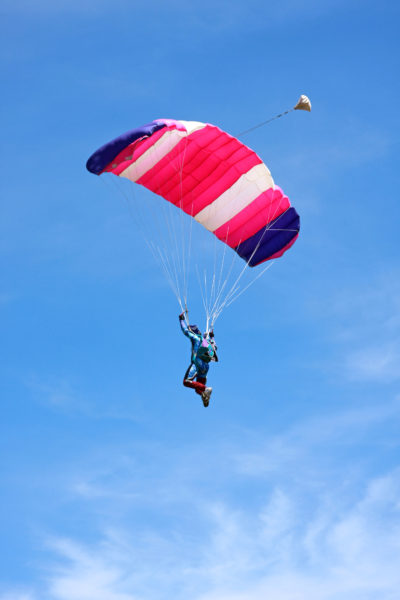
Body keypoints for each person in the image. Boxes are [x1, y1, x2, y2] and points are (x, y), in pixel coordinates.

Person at [179, 312, 218, 407]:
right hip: (205, 367)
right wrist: (212, 337)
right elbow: (214, 347)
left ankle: (205, 389)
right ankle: (205, 395)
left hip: (197, 363)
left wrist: (181, 320)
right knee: (197, 389)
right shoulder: (206, 340)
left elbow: (185, 331)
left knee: (186, 382)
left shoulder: (195, 338)